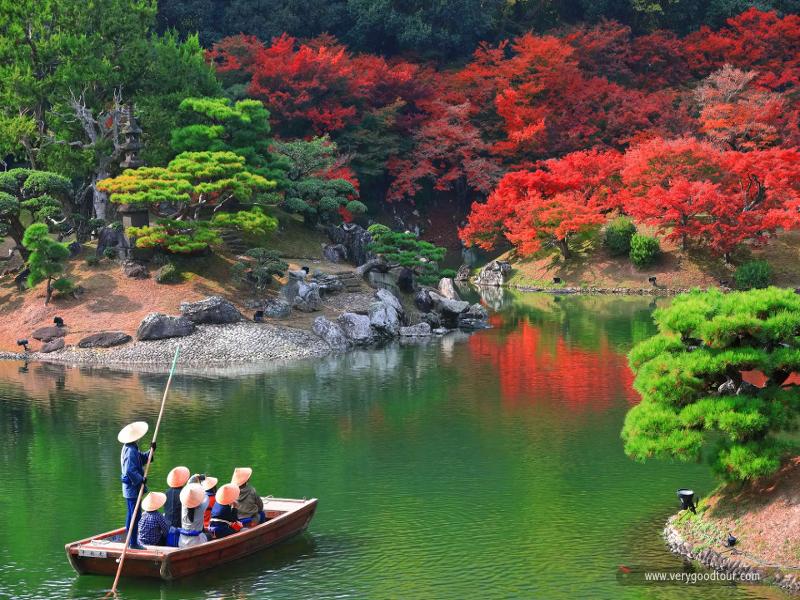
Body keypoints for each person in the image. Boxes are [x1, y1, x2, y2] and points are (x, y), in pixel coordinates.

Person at [118, 421, 154, 549]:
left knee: (132, 514)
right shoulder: (130, 450)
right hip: (132, 489)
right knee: (135, 515)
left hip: (131, 488)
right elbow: (129, 470)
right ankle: (133, 543)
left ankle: (131, 540)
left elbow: (142, 459)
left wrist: (151, 451)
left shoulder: (132, 448)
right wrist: (140, 480)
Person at [178, 483, 209, 548]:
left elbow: (187, 491)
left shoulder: (184, 507)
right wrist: (200, 486)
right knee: (210, 536)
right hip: (197, 543)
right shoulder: (202, 507)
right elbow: (206, 495)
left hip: (182, 542)